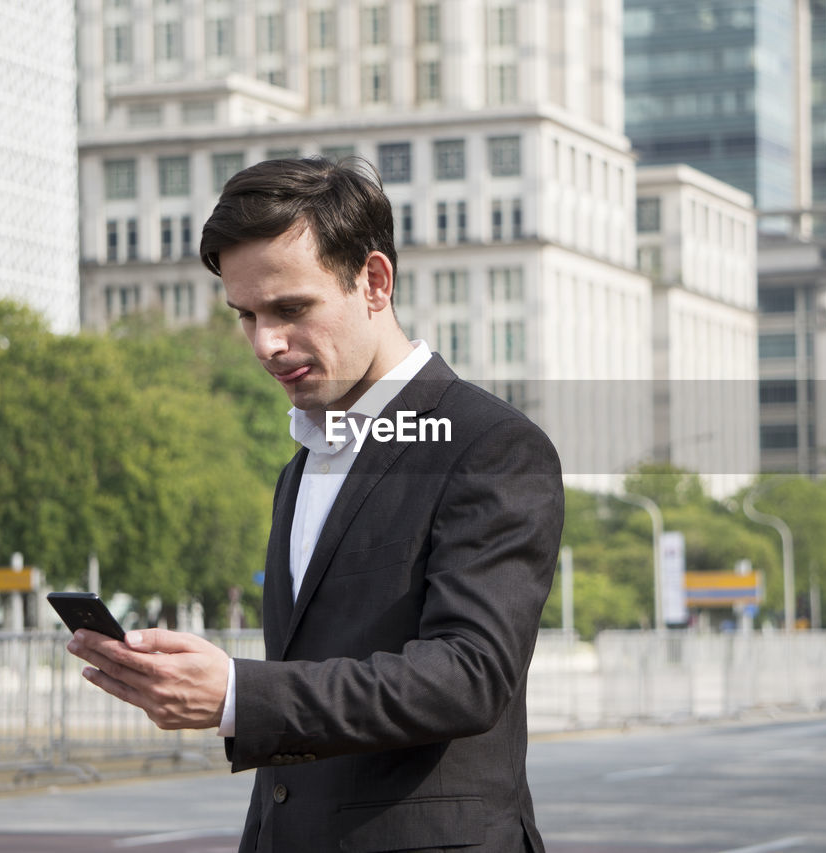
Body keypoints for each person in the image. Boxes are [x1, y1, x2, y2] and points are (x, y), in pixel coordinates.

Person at [65, 157, 564, 852]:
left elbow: (470, 673)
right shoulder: (302, 466)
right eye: (246, 315)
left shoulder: (491, 445)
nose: (266, 343)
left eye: (291, 308)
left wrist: (240, 694)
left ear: (375, 282)